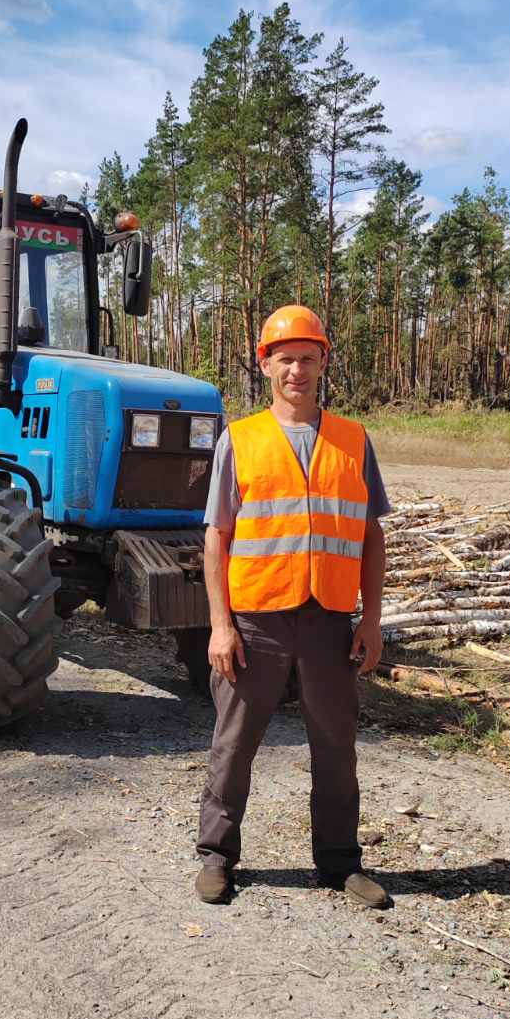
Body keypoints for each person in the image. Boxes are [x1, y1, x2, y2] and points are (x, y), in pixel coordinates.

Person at [195, 304, 391, 908]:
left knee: (336, 745)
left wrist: (373, 619)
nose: (297, 371)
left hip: (329, 618)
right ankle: (216, 858)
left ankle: (339, 864)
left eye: (308, 359)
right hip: (256, 621)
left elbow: (371, 535)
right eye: (285, 360)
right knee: (235, 743)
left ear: (323, 362)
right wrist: (220, 626)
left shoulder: (353, 440)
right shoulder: (242, 439)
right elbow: (217, 536)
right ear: (265, 365)